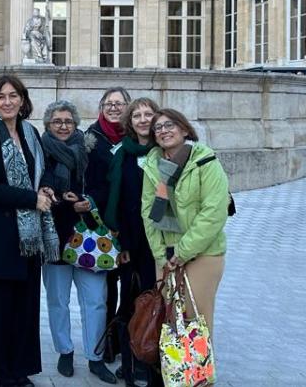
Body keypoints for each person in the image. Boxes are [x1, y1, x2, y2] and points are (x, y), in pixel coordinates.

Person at [0, 75, 58, 387]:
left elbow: (43, 171)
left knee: (25, 307)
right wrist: (32, 198)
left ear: (22, 100)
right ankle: (0, 372)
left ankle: (21, 368)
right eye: (1, 97)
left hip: (29, 240)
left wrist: (45, 186)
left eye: (13, 96)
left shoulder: (32, 134)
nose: (7, 102)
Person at [38, 100, 116, 384]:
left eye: (68, 121)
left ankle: (95, 357)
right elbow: (34, 182)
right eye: (57, 121)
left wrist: (88, 201)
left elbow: (108, 185)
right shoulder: (39, 149)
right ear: (48, 125)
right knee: (58, 300)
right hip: (54, 237)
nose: (62, 126)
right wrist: (49, 190)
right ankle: (65, 351)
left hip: (89, 238)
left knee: (95, 301)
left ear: (76, 124)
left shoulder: (91, 149)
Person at [141, 109, 228, 343]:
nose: (163, 131)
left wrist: (183, 252)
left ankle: (197, 378)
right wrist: (161, 255)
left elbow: (214, 212)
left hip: (202, 255)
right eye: (158, 128)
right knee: (168, 322)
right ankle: (173, 376)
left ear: (184, 129)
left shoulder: (205, 161)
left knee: (195, 323)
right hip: (166, 257)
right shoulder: (153, 164)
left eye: (169, 125)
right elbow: (149, 213)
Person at [107, 97, 161, 387]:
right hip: (129, 241)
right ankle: (130, 360)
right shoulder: (122, 153)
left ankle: (151, 360)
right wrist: (121, 243)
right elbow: (117, 201)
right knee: (130, 301)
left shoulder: (165, 151)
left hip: (159, 242)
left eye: (148, 114)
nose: (143, 119)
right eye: (137, 115)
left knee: (156, 301)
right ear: (130, 121)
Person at [83, 86, 131, 370]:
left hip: (133, 223)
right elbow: (87, 182)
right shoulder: (91, 138)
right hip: (103, 224)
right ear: (101, 107)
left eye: (120, 103)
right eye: (109, 103)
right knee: (106, 287)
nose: (114, 108)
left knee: (133, 285)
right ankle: (107, 340)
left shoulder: (137, 138)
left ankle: (129, 338)